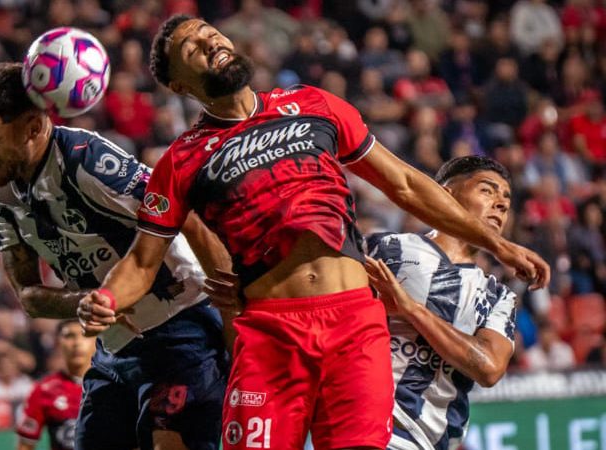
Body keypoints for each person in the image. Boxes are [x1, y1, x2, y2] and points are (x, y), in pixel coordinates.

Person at [77, 15, 550, 450]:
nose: (209, 42)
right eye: (192, 47)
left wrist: (497, 243)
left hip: (353, 327)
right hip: (269, 335)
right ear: (180, 84)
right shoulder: (182, 160)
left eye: (209, 33)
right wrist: (107, 300)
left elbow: (405, 184)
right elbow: (142, 261)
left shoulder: (313, 103)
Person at [0, 62, 231, 450]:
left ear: (33, 128)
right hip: (116, 345)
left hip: (183, 329)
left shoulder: (84, 159)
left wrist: (234, 321)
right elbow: (28, 296)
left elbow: (186, 217)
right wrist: (83, 303)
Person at [364, 156, 519, 450]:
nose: (500, 204)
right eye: (487, 190)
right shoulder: (384, 248)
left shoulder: (498, 296)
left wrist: (410, 308)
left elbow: (488, 368)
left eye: (506, 200)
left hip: (430, 442)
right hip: (368, 426)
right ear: (444, 194)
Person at [16, 320, 96, 450]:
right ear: (58, 343)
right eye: (69, 336)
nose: (77, 343)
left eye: (84, 335)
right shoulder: (44, 390)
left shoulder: (114, 386)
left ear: (96, 341)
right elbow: (25, 445)